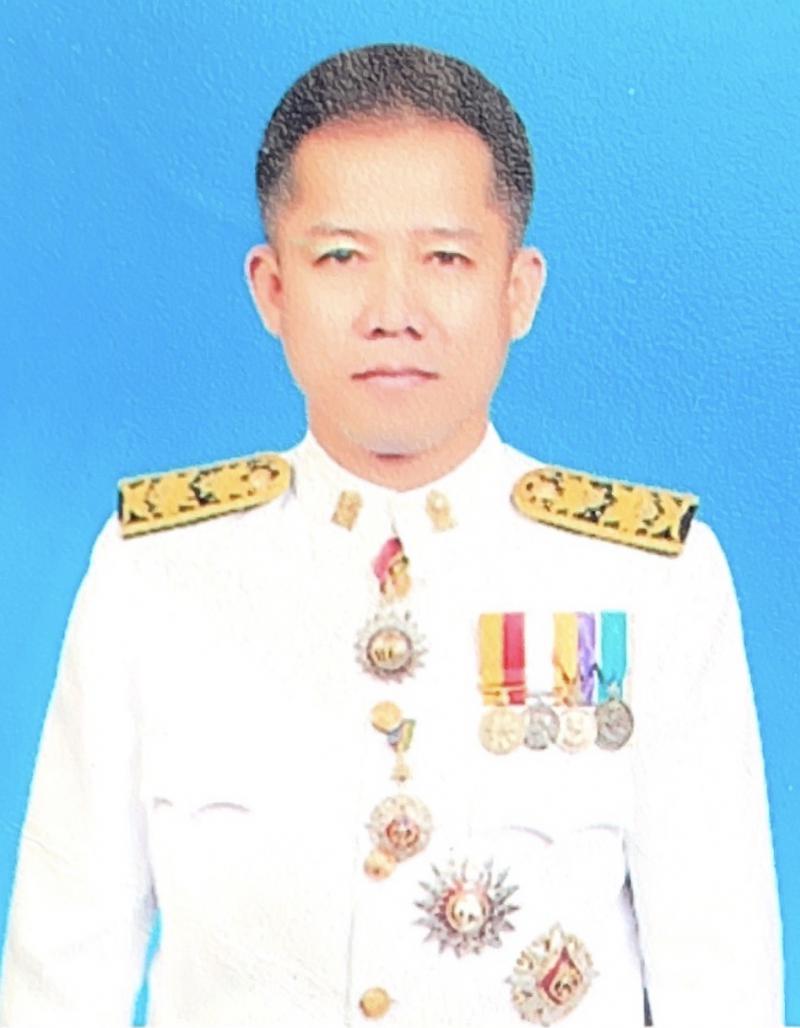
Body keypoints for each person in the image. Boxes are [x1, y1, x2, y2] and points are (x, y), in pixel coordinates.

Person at [0, 43, 784, 1028]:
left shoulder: (648, 578)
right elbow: (61, 976)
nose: (392, 313)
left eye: (445, 258)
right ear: (271, 289)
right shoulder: (153, 570)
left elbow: (722, 983)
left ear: (518, 289)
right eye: (340, 257)